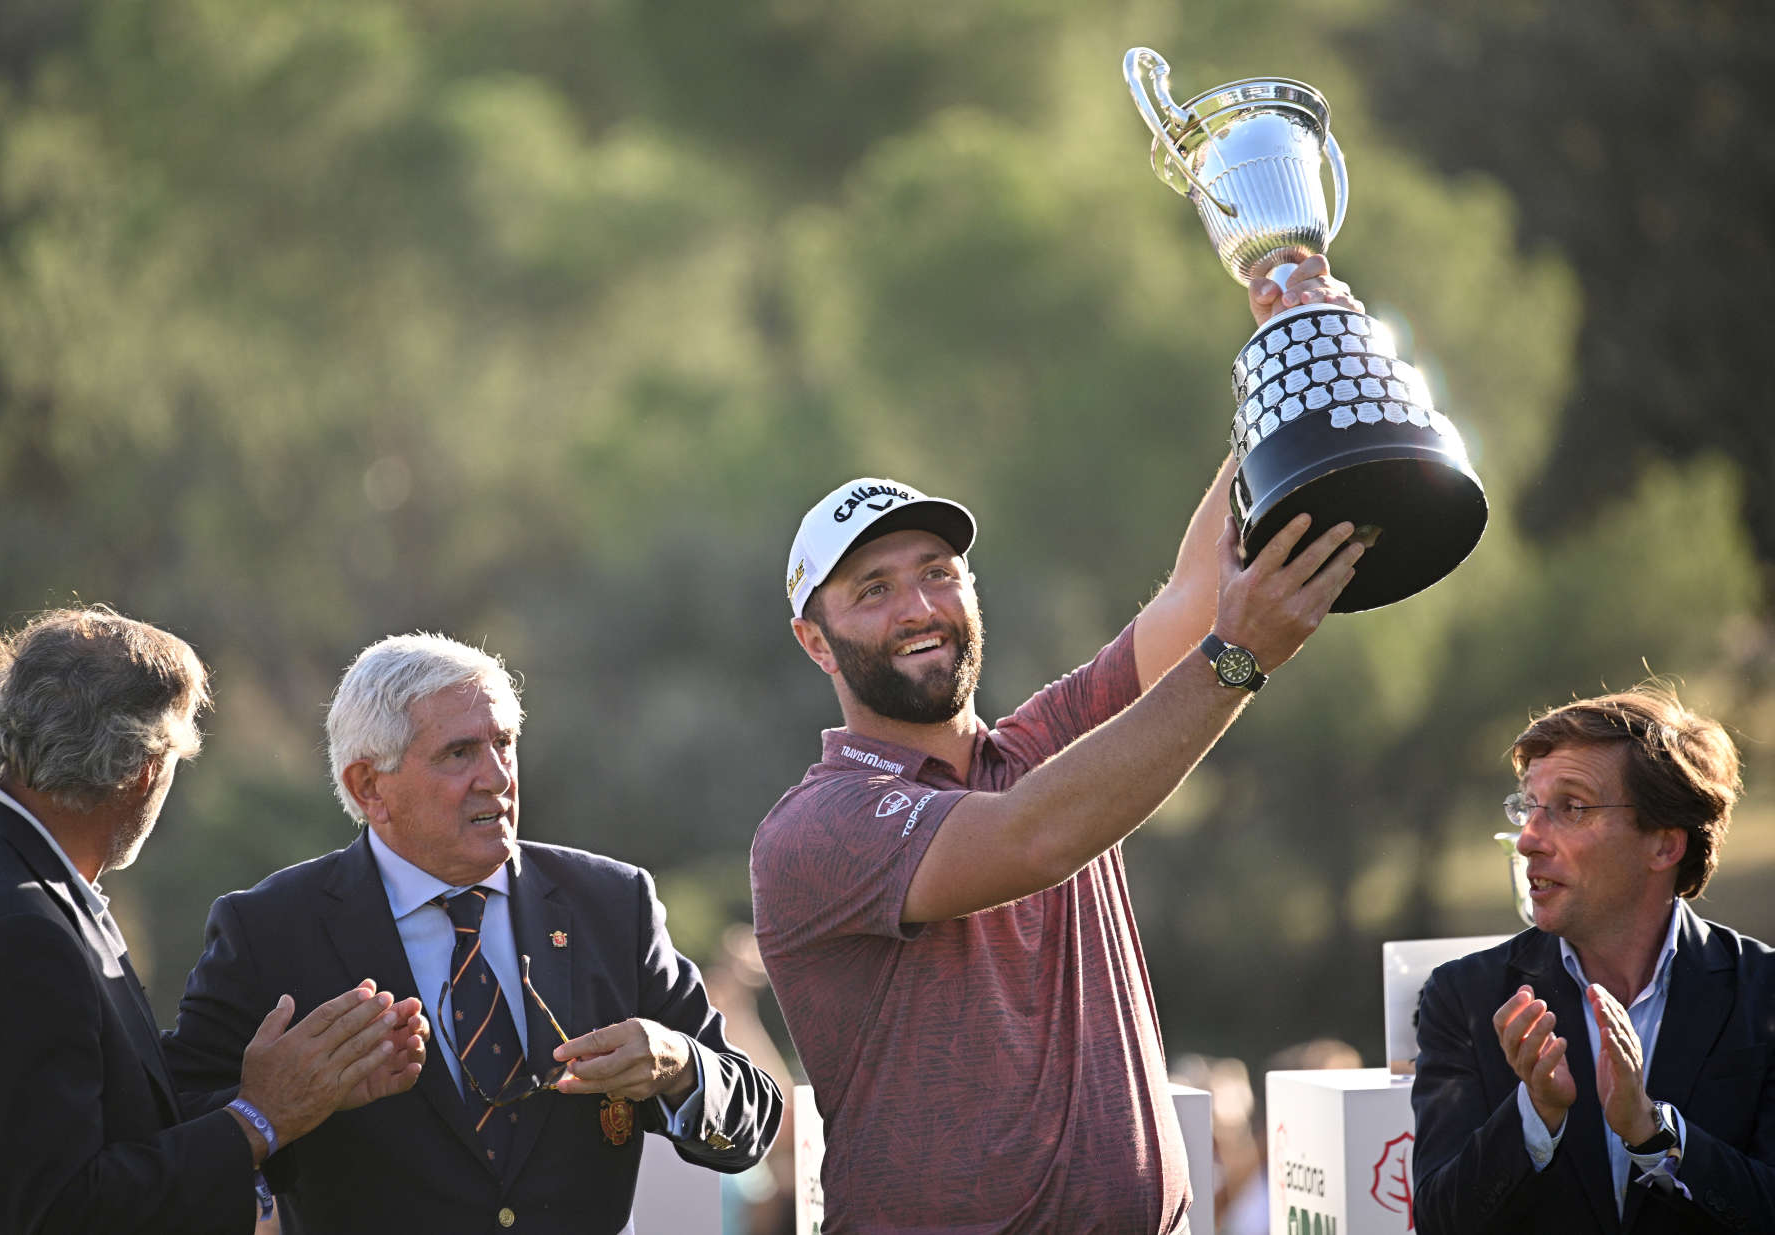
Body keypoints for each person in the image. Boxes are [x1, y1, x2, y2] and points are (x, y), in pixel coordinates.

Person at [749, 262, 1368, 1233]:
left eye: (939, 573)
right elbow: (1032, 838)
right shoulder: (815, 827)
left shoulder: (1039, 742)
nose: (919, 606)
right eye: (872, 589)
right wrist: (1238, 659)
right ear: (814, 639)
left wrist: (1285, 358)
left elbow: (1192, 593)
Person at [162, 632, 784, 1234]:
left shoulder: (613, 902)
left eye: (505, 743)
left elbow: (753, 1118)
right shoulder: (271, 928)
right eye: (459, 753)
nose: (497, 776)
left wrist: (680, 1066)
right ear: (369, 786)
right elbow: (175, 1131)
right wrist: (278, 1109)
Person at [0, 607, 426, 1233]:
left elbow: (100, 1131)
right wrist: (260, 1119)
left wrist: (302, 1096)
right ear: (145, 770)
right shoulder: (17, 926)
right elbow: (67, 1211)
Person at [1411, 683, 1775, 1234]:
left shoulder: (1763, 993)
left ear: (1664, 845)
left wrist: (1654, 1135)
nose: (1528, 838)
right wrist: (1536, 1116)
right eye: (1528, 807)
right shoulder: (1465, 997)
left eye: (1571, 807)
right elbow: (1440, 1222)